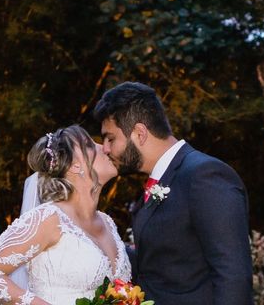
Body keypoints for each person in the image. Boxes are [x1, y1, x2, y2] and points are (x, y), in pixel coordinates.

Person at [93, 81, 253, 305]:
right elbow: (159, 266)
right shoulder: (160, 181)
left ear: (140, 133)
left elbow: (234, 277)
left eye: (110, 138)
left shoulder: (204, 176)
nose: (106, 149)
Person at [0, 125, 130, 305]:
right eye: (89, 145)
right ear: (74, 166)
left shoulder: (108, 223)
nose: (105, 148)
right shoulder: (49, 218)